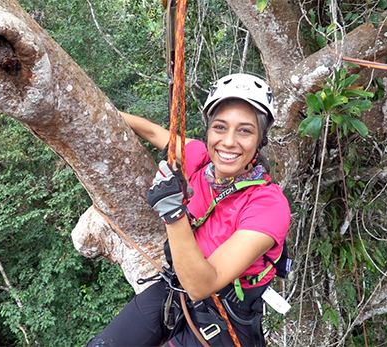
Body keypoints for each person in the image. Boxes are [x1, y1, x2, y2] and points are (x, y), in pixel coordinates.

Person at [86, 74, 290, 346]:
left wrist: (173, 213)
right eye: (220, 127)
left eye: (244, 130)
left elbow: (204, 285)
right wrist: (94, 109)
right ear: (208, 131)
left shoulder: (267, 205)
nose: (228, 142)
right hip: (175, 287)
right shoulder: (200, 161)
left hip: (226, 314)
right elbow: (152, 132)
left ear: (260, 139)